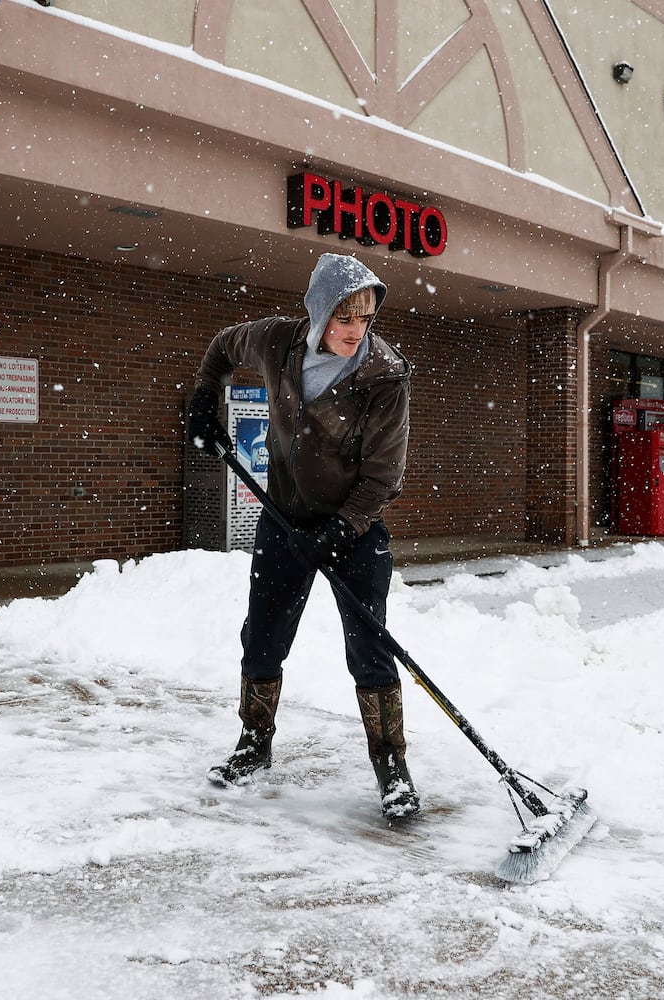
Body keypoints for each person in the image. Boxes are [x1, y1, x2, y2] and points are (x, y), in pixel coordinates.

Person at [186, 253, 418, 819]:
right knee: (262, 636)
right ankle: (253, 744)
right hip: (285, 519)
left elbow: (383, 475)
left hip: (355, 529)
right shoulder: (276, 342)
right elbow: (222, 346)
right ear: (319, 313)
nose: (355, 333)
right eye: (345, 320)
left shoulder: (384, 376)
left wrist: (341, 529)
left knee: (371, 650)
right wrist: (204, 396)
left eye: (365, 321)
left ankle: (392, 768)